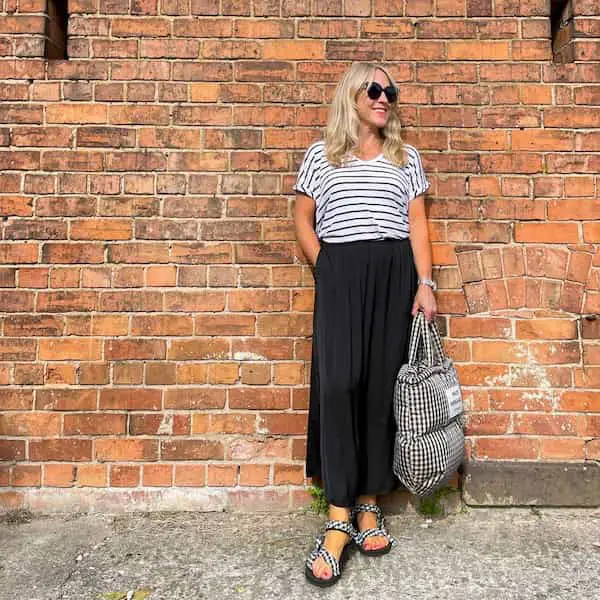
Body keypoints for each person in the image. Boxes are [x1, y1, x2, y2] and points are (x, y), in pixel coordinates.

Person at [293, 62, 437, 587]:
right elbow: (302, 220)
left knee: (380, 390)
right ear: (351, 96)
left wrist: (425, 283)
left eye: (389, 91)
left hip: (394, 271)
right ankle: (337, 519)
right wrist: (326, 267)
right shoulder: (321, 155)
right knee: (338, 387)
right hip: (341, 271)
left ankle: (370, 504)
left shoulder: (406, 157)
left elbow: (417, 221)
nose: (384, 97)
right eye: (374, 89)